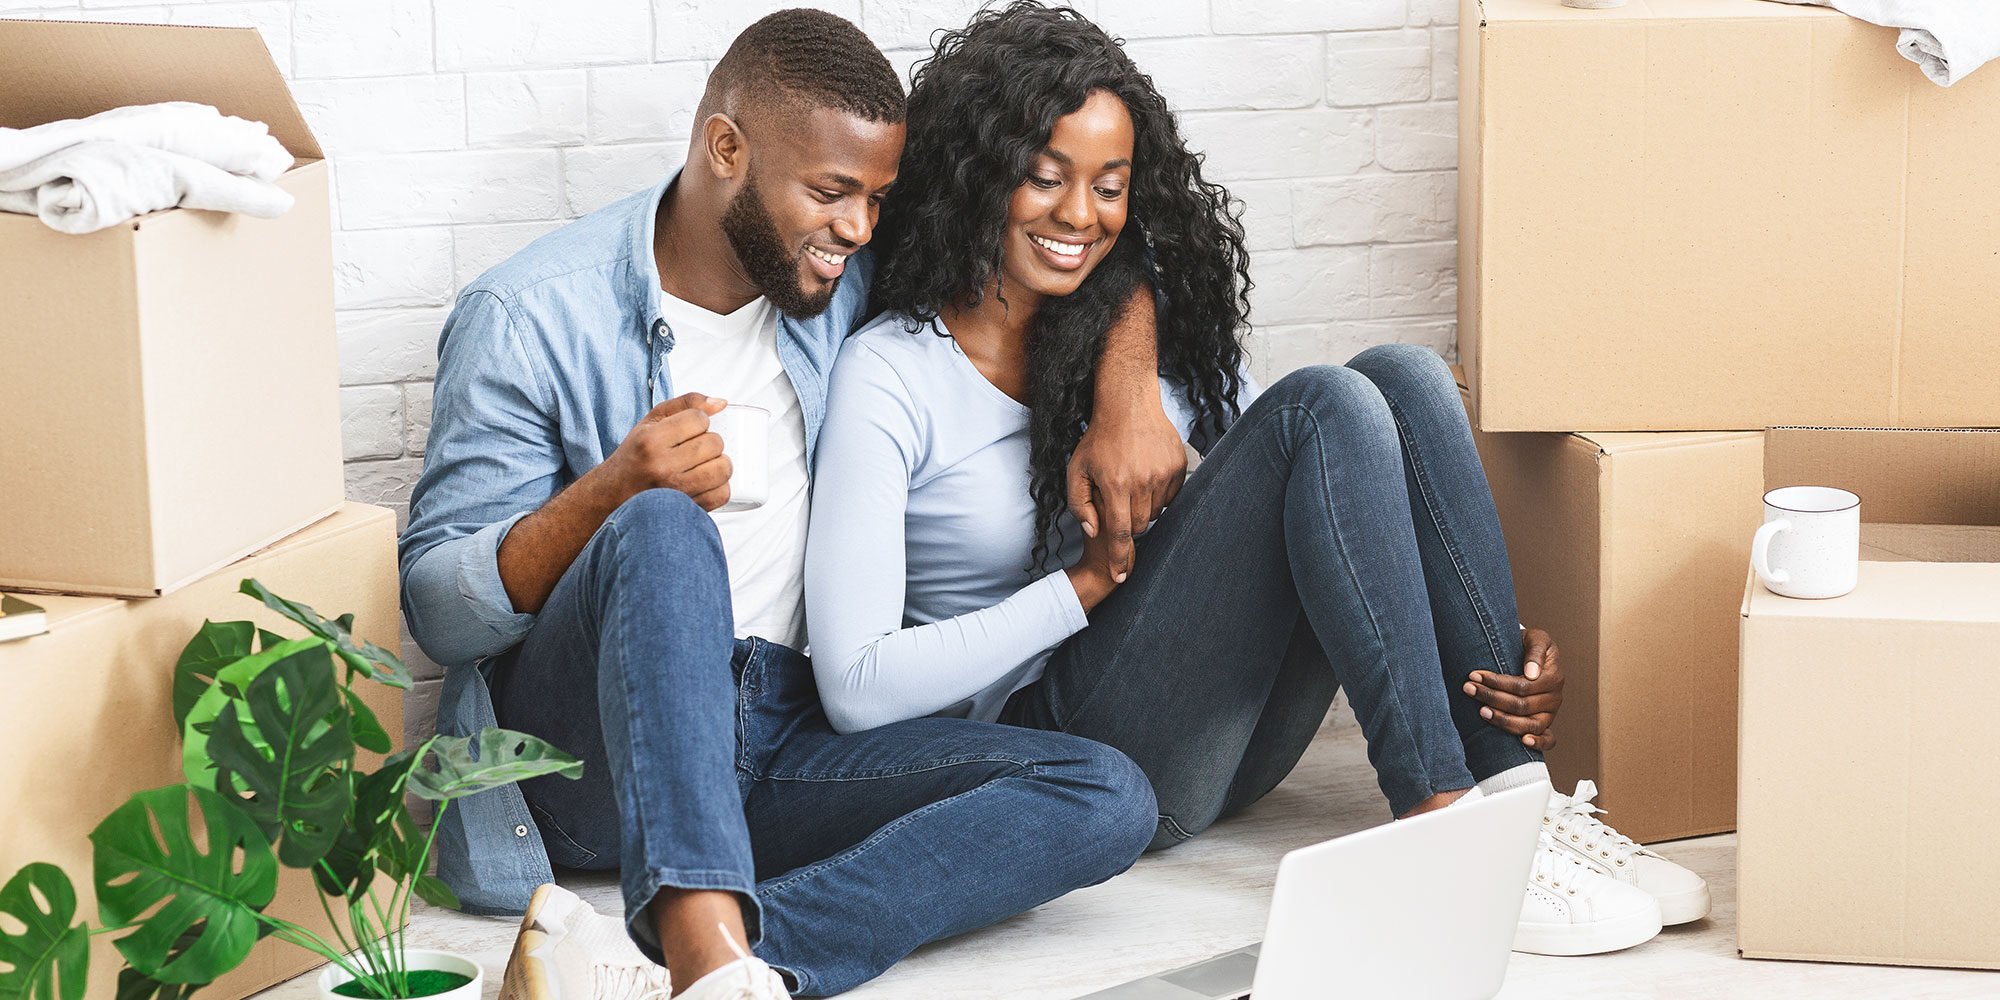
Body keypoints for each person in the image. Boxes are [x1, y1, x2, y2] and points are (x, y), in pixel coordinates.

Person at [803, 1, 1712, 961]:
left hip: (1219, 735)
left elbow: (1321, 507)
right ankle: (1443, 827)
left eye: (1111, 187)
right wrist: (1077, 591)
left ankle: (1516, 796)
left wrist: (1475, 629)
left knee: (1399, 376)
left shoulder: (1121, 328)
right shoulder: (892, 375)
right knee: (1324, 404)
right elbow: (854, 691)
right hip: (1062, 754)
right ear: (974, 174)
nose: (1081, 216)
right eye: (1045, 178)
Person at [401, 10, 1187, 999]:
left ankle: (721, 962)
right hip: (593, 748)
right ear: (724, 148)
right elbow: (437, 606)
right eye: (831, 193)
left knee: (1102, 791)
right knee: (660, 523)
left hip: (783, 733)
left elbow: (1076, 238)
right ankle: (702, 953)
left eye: (875, 200)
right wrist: (609, 488)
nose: (858, 229)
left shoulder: (835, 273)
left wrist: (1127, 391)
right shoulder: (527, 315)